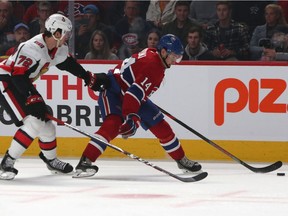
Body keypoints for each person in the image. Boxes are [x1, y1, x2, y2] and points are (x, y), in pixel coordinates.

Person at [74, 34, 202, 178]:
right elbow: (132, 94)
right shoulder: (154, 66)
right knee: (113, 124)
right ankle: (85, 162)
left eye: (178, 57)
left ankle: (181, 160)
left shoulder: (155, 56)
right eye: (173, 56)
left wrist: (134, 113)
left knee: (160, 125)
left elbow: (135, 90)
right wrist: (132, 117)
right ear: (164, 51)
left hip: (131, 94)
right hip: (114, 91)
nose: (175, 61)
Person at [0, 13, 110, 180]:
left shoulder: (59, 48)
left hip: (21, 82)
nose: (68, 37)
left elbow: (68, 64)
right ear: (57, 33)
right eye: (66, 33)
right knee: (35, 120)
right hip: (6, 81)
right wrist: (31, 96)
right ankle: (6, 163)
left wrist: (88, 77)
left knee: (47, 125)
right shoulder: (31, 48)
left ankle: (51, 161)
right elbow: (17, 76)